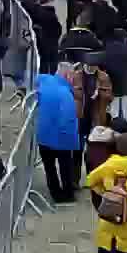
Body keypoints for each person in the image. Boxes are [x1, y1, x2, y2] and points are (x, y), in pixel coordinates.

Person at [34, 70, 83, 202]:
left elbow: (34, 79)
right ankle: (68, 194)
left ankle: (55, 193)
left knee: (49, 167)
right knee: (65, 167)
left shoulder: (44, 80)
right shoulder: (65, 93)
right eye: (72, 78)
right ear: (67, 76)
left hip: (43, 136)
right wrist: (74, 141)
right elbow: (68, 118)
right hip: (62, 138)